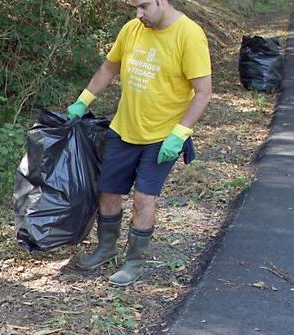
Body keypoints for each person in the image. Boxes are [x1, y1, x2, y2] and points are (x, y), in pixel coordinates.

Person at [66, 0, 212, 285]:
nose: (138, 14)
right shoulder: (132, 29)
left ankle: (133, 262)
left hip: (162, 137)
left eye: (144, 6)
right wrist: (83, 101)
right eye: (134, 7)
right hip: (123, 130)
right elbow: (109, 68)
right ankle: (106, 249)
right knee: (108, 192)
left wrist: (180, 133)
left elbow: (203, 93)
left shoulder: (189, 35)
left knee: (144, 199)